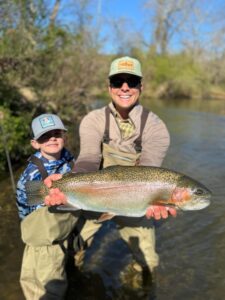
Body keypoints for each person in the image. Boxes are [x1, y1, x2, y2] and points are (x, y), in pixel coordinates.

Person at [44, 56, 177, 282]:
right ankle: (77, 279)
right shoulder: (93, 120)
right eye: (118, 82)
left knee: (148, 262)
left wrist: (156, 201)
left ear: (140, 87)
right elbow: (88, 159)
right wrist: (68, 181)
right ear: (110, 87)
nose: (124, 87)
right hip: (96, 192)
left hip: (135, 198)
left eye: (132, 81)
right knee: (75, 246)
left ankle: (137, 286)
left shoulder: (156, 127)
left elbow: (148, 173)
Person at [16, 113, 79, 300]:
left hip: (62, 229)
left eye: (56, 133)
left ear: (64, 137)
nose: (52, 138)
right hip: (43, 239)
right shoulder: (31, 175)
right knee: (46, 289)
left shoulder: (68, 157)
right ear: (35, 143)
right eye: (45, 136)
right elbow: (29, 214)